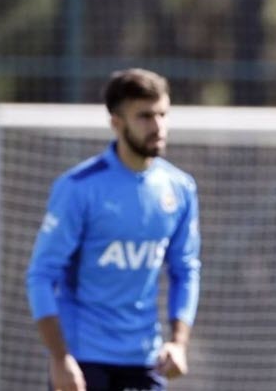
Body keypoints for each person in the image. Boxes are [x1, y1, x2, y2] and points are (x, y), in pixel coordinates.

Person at [26, 68, 201, 391]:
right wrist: (60, 358)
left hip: (145, 358)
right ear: (116, 123)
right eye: (144, 116)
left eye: (163, 114)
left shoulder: (179, 188)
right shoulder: (79, 187)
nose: (158, 126)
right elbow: (41, 275)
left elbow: (185, 270)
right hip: (83, 358)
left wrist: (178, 342)